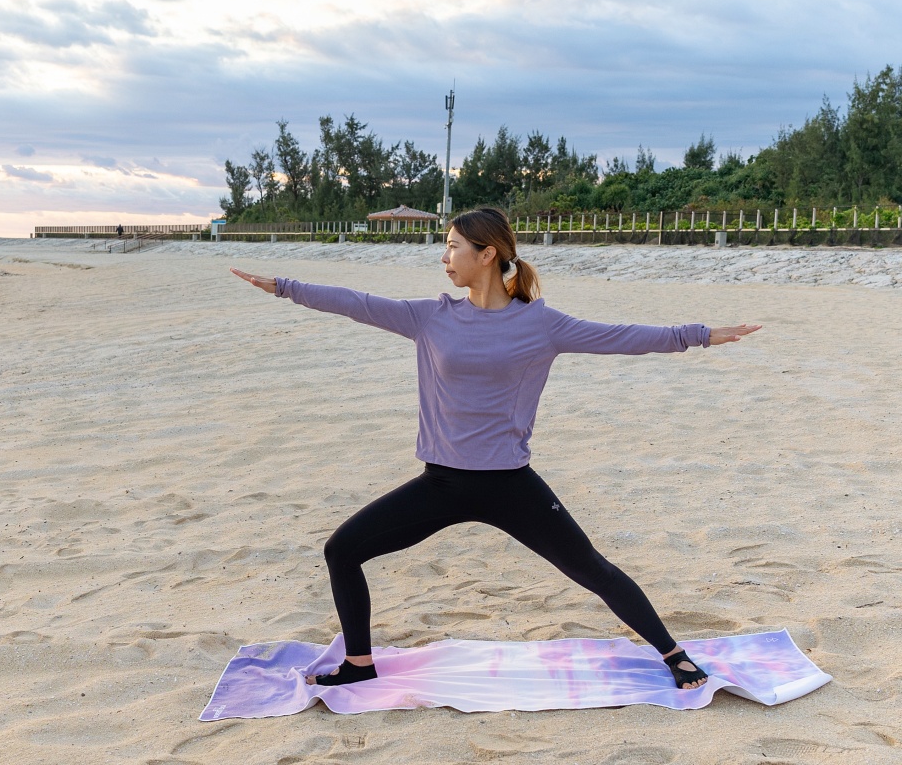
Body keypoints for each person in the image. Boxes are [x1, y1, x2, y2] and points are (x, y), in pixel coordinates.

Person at [231, 207, 761, 690]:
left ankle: (673, 653)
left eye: (453, 246)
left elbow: (622, 336)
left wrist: (699, 334)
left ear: (487, 254)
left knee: (590, 568)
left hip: (510, 485)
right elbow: (357, 304)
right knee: (342, 549)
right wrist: (285, 287)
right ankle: (359, 664)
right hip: (440, 483)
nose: (444, 258)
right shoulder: (430, 317)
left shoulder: (541, 323)